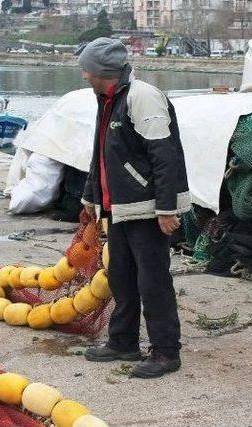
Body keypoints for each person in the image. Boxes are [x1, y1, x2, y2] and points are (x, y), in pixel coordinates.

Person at [78, 38, 191, 378]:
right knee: (121, 277)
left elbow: (164, 154)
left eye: (87, 69)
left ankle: (166, 351)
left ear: (102, 72)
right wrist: (90, 199)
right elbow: (102, 154)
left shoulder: (142, 98)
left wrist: (167, 208)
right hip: (120, 207)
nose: (83, 76)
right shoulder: (107, 99)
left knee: (152, 281)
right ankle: (123, 340)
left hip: (147, 208)